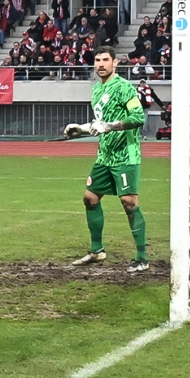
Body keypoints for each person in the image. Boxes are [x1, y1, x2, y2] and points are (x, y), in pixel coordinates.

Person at [66, 49, 149, 271]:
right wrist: (82, 129)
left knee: (129, 202)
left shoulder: (124, 87)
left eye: (105, 60)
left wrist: (111, 127)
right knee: (90, 198)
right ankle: (97, 251)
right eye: (97, 60)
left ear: (115, 62)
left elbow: (138, 117)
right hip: (105, 154)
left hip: (125, 154)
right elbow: (101, 121)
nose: (101, 64)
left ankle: (142, 258)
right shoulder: (97, 89)